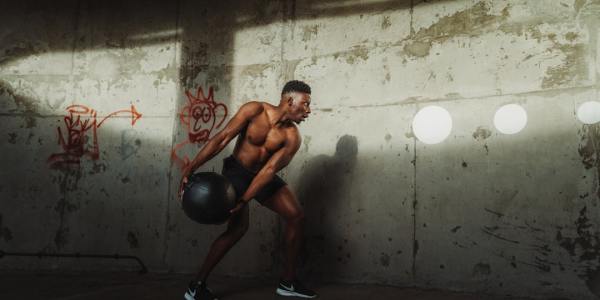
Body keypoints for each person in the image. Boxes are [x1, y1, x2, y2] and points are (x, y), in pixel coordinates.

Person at [179, 80, 317, 299]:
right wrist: (191, 167)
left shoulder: (292, 137)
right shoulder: (254, 110)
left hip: (262, 176)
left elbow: (270, 170)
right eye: (306, 104)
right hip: (236, 173)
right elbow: (222, 138)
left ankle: (287, 282)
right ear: (290, 100)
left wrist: (245, 199)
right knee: (236, 230)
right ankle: (195, 287)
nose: (309, 110)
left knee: (296, 216)